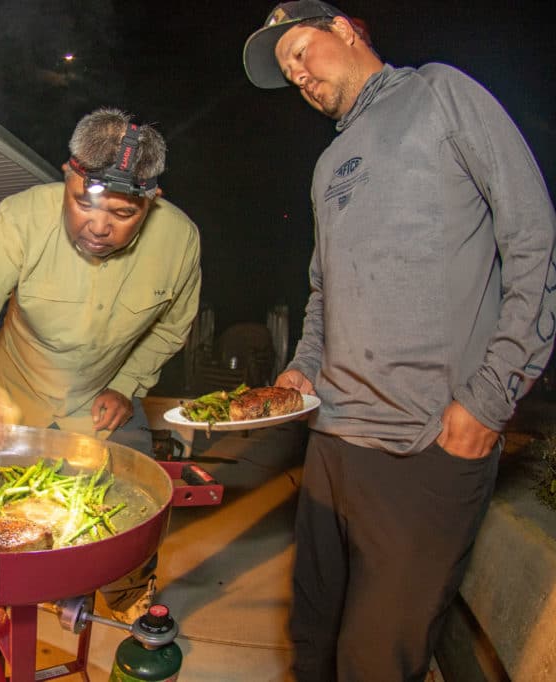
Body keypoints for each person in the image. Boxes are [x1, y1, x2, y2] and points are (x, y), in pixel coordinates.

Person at [243, 2, 556, 680]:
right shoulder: (329, 165)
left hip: (424, 445)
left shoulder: (440, 93)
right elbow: (324, 291)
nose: (296, 73)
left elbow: (531, 235)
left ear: (347, 29)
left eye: (301, 51)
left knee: (376, 661)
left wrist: (489, 399)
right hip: (331, 444)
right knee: (314, 642)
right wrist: (301, 370)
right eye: (286, 68)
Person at [0, 108, 202, 631]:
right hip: (8, 394)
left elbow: (173, 328)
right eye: (83, 204)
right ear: (67, 175)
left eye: (123, 214)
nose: (98, 228)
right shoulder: (20, 217)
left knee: (137, 499)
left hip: (98, 399)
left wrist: (128, 385)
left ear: (153, 201)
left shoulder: (180, 241)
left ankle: (126, 587)